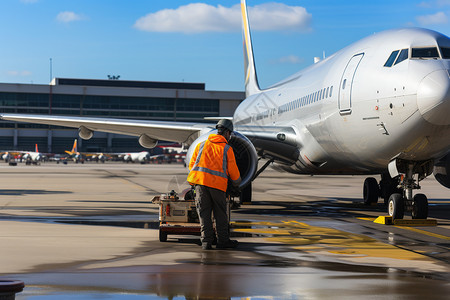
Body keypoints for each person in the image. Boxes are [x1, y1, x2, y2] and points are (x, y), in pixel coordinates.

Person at [187, 119, 242, 250]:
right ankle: (223, 241)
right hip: (217, 186)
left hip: (200, 184)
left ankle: (206, 242)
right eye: (230, 134)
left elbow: (191, 165)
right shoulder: (226, 149)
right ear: (227, 132)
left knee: (204, 214)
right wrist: (237, 184)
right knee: (220, 215)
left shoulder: (201, 144)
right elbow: (234, 172)